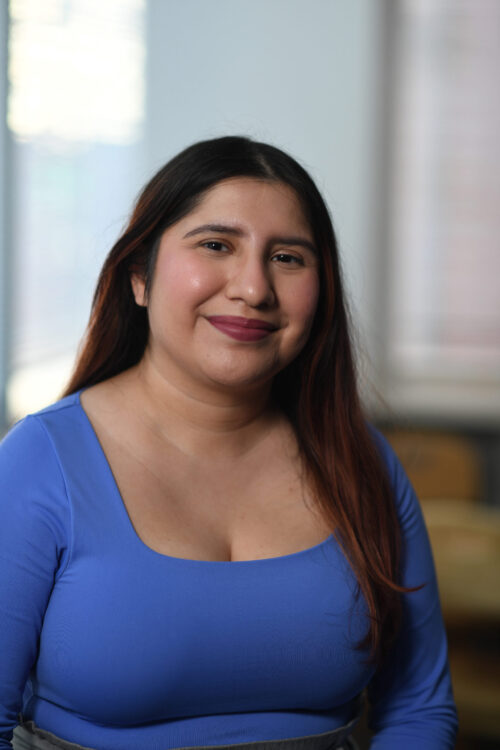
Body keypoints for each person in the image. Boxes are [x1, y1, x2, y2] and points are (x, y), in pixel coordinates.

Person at [0, 136, 457, 750]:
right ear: (139, 276)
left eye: (288, 257)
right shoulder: (39, 460)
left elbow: (419, 711)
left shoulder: (363, 462)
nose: (253, 288)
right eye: (216, 245)